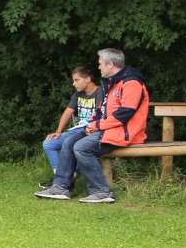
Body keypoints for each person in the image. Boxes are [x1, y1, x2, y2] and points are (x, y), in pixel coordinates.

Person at [35, 49, 150, 204]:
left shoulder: (132, 83)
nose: (99, 67)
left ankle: (101, 191)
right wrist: (93, 123)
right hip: (108, 129)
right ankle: (61, 187)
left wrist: (97, 125)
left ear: (110, 64)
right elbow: (101, 110)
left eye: (101, 64)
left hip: (124, 133)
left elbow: (124, 114)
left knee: (81, 147)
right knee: (69, 142)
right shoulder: (113, 83)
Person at [39, 66, 99, 184]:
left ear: (88, 79)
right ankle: (63, 178)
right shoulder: (78, 94)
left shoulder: (100, 92)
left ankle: (63, 180)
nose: (73, 84)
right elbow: (68, 111)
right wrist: (58, 131)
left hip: (91, 131)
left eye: (77, 80)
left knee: (72, 145)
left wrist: (93, 128)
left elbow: (103, 115)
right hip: (77, 130)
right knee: (48, 144)